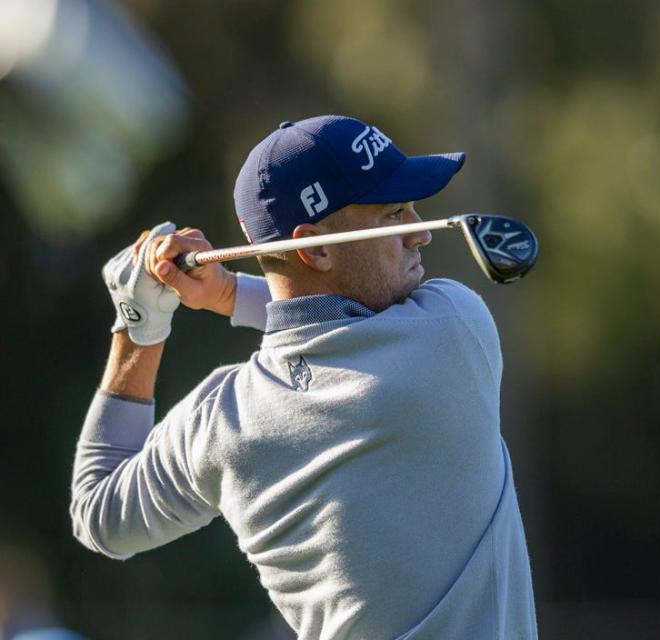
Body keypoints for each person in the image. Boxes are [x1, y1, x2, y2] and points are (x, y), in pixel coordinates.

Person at [70, 115, 538, 639]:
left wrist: (138, 329)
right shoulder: (454, 329)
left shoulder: (220, 424)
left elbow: (98, 515)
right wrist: (228, 295)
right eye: (394, 215)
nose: (421, 232)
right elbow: (336, 321)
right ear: (314, 249)